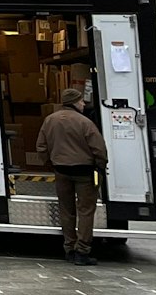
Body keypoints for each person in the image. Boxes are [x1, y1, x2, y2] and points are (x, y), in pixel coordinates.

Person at [37, 87, 108, 266]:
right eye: (82, 101)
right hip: (84, 172)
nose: (84, 104)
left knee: (66, 210)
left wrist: (51, 163)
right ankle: (82, 251)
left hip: (61, 171)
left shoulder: (49, 120)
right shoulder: (85, 122)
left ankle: (69, 248)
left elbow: (41, 146)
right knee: (85, 211)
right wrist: (100, 166)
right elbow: (99, 148)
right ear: (75, 102)